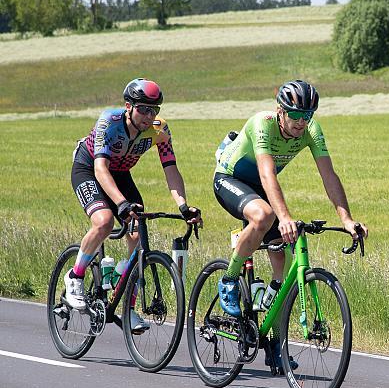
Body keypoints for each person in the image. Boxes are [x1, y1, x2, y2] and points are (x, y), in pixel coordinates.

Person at [213, 79, 368, 372]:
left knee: (280, 264)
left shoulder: (311, 130)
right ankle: (229, 279)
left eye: (307, 116)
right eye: (295, 115)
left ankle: (274, 341)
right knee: (263, 216)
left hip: (261, 189)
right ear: (280, 111)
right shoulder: (262, 124)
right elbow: (267, 173)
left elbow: (329, 175)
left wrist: (346, 219)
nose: (301, 123)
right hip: (230, 179)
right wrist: (284, 218)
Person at [66, 78, 201, 332]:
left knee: (137, 234)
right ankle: (75, 276)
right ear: (128, 106)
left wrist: (184, 206)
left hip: (121, 172)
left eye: (154, 110)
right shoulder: (110, 121)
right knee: (104, 221)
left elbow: (171, 169)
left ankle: (125, 303)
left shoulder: (160, 130)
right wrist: (121, 204)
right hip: (90, 167)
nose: (149, 116)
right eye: (143, 109)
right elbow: (100, 169)